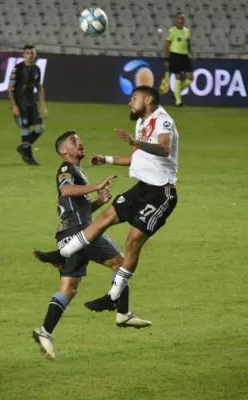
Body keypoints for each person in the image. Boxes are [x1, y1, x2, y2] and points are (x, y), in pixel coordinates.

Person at [34, 86, 179, 313]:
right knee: (104, 217)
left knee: (132, 241)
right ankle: (63, 253)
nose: (130, 102)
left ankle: (113, 296)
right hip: (142, 188)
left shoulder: (162, 120)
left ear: (148, 99)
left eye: (134, 98)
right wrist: (106, 159)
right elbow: (136, 158)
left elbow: (164, 148)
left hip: (161, 193)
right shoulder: (142, 123)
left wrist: (134, 142)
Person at [32, 131, 152, 361]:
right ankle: (123, 313)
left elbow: (76, 207)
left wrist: (98, 202)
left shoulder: (78, 172)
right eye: (73, 141)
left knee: (69, 289)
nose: (80, 143)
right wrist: (96, 186)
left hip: (69, 234)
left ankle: (45, 331)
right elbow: (65, 190)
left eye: (79, 139)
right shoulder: (67, 169)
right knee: (121, 262)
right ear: (63, 151)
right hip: (82, 234)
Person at [8, 44, 48, 166]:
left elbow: (40, 88)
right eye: (28, 53)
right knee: (25, 129)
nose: (30, 55)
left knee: (40, 129)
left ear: (35, 55)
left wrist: (43, 107)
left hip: (32, 103)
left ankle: (24, 147)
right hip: (21, 104)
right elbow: (10, 89)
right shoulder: (18, 69)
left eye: (32, 53)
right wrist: (14, 106)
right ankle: (29, 157)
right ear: (24, 54)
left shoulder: (37, 69)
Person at [160, 12, 193, 107]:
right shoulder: (172, 31)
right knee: (178, 77)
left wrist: (192, 52)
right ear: (176, 20)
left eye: (182, 19)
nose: (180, 21)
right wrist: (166, 59)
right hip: (175, 56)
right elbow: (166, 45)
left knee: (190, 77)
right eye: (179, 19)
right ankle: (178, 102)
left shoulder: (187, 31)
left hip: (185, 56)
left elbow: (188, 43)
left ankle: (176, 94)